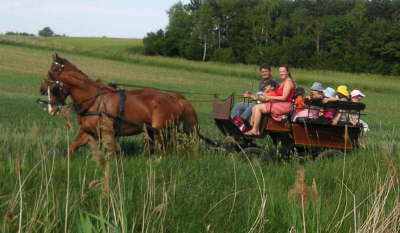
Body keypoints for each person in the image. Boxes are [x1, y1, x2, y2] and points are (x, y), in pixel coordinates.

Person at [244, 65, 295, 135]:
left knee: (258, 108)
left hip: (285, 106)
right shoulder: (284, 82)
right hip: (280, 104)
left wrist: (270, 98)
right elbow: (277, 95)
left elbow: (284, 98)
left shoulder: (288, 82)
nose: (281, 73)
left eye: (283, 71)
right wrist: (265, 96)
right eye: (280, 72)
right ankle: (251, 127)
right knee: (254, 107)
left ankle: (255, 130)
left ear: (287, 72)